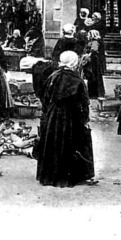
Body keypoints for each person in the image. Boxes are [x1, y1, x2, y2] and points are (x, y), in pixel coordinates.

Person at [36, 51, 96, 187]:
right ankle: (69, 176)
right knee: (71, 143)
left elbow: (44, 96)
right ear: (74, 62)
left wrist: (48, 111)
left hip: (53, 114)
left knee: (53, 141)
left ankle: (49, 176)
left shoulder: (53, 76)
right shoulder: (77, 79)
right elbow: (83, 103)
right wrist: (84, 119)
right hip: (71, 115)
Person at [81, 30, 107, 99]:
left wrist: (87, 56)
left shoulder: (95, 42)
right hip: (95, 61)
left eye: (89, 35)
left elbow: (94, 50)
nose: (87, 36)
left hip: (93, 62)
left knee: (93, 76)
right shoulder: (96, 41)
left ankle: (93, 93)